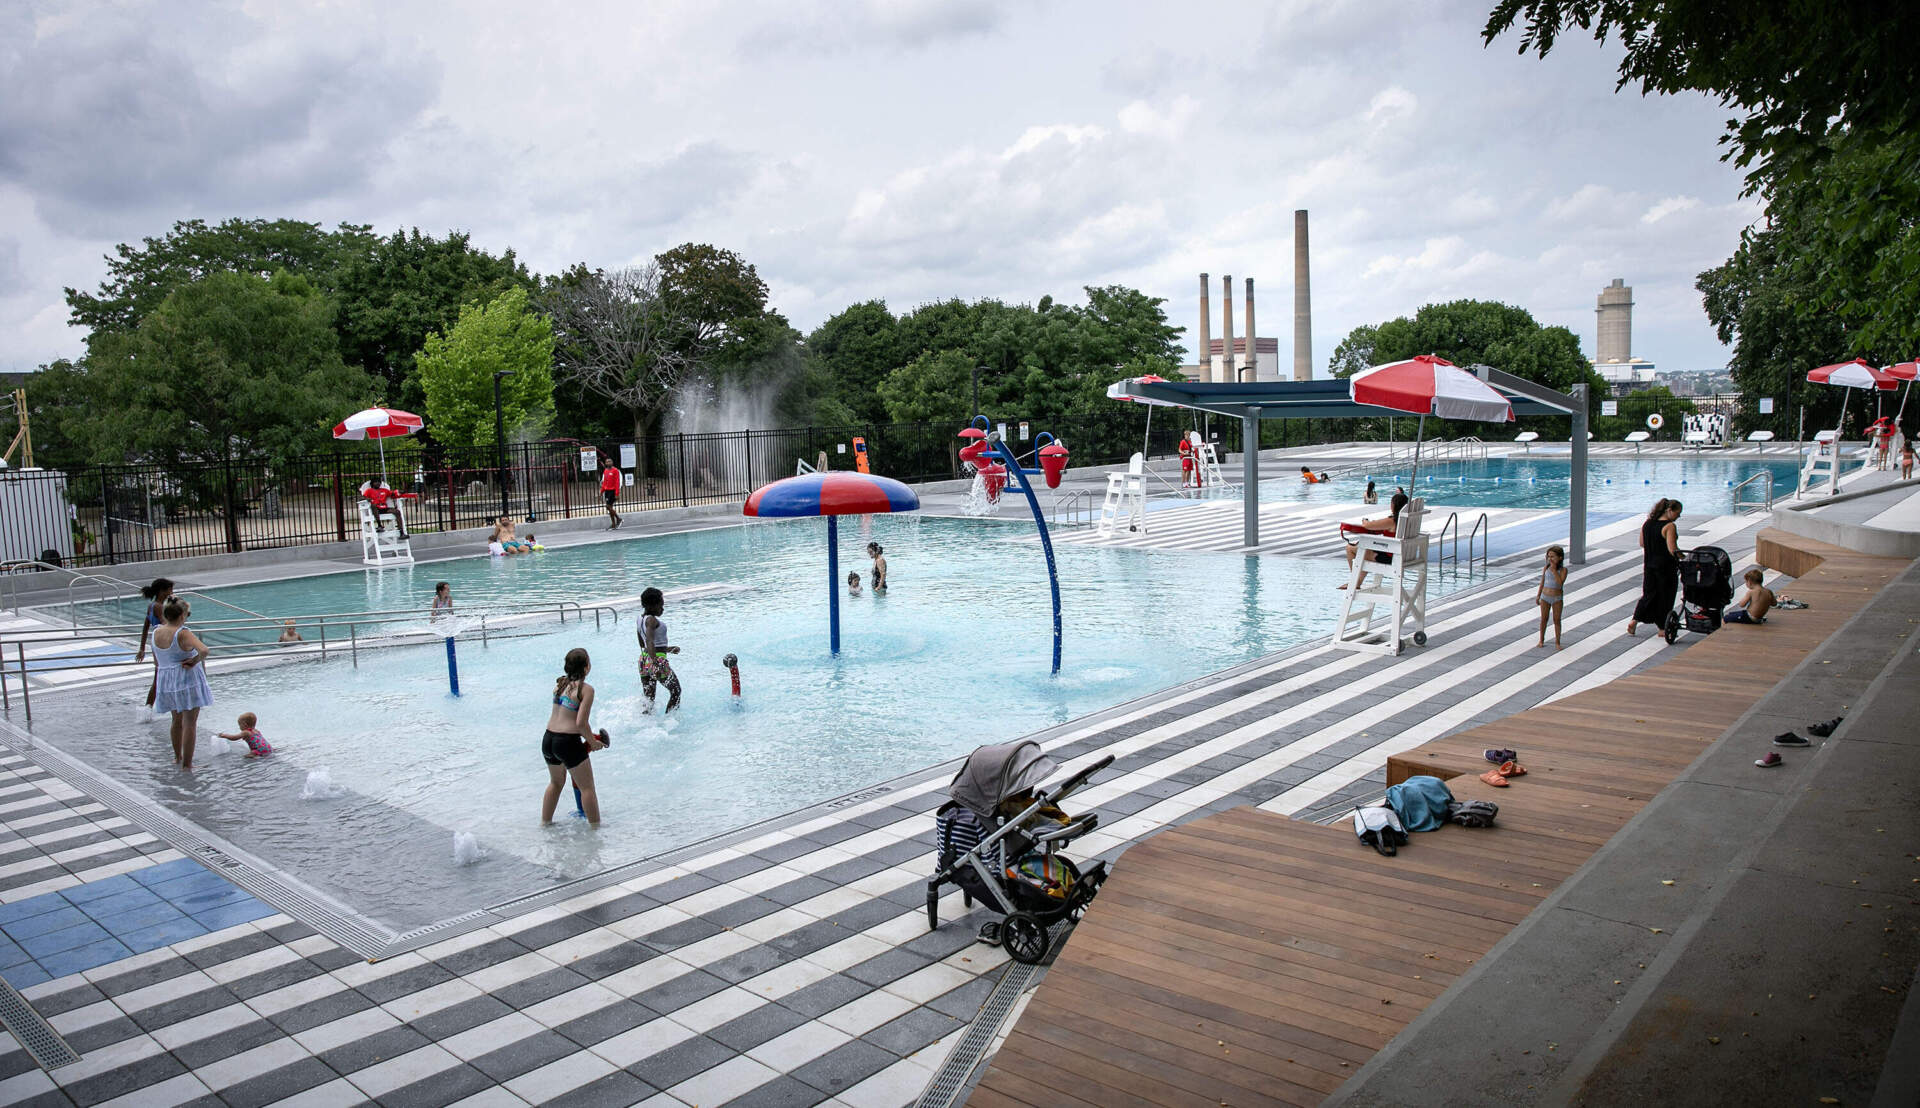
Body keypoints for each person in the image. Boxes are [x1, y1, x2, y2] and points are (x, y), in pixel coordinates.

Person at [541, 647, 606, 826]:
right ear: (586, 667)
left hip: (548, 740)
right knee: (587, 788)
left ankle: (545, 824)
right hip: (567, 742)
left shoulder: (559, 685)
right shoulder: (586, 690)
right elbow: (580, 723)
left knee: (555, 783)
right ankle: (595, 831)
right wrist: (593, 742)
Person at [150, 598, 212, 769]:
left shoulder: (156, 632)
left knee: (176, 720)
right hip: (186, 679)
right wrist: (194, 661)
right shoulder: (182, 632)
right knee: (190, 722)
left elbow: (157, 661)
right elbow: (205, 650)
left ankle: (177, 757)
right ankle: (187, 764)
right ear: (182, 615)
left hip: (166, 679)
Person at [1626, 498, 1683, 638]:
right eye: (1678, 513)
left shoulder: (1647, 523)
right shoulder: (1669, 526)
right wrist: (1683, 557)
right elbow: (1672, 549)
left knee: (1649, 594)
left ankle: (1635, 620)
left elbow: (1641, 543)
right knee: (1665, 596)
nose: (1679, 516)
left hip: (1649, 565)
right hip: (1666, 567)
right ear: (1669, 511)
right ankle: (1662, 628)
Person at [1338, 490, 1410, 587]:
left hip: (1390, 557)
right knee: (1365, 551)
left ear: (1393, 505)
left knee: (1350, 548)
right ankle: (1357, 582)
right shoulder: (1407, 520)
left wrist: (1364, 520)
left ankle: (1354, 580)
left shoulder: (1392, 521)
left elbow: (1368, 526)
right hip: (1402, 555)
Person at [637, 587, 681, 714]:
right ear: (652, 606)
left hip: (644, 659)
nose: (662, 609)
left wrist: (668, 649)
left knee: (649, 698)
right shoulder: (652, 620)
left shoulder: (640, 619)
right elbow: (650, 641)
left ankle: (645, 721)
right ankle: (670, 719)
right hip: (656, 659)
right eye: (661, 606)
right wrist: (656, 660)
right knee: (676, 691)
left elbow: (642, 642)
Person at [134, 578, 174, 709]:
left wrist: (142, 649)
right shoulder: (158, 606)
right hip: (164, 643)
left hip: (156, 643)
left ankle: (148, 708)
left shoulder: (151, 605)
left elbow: (145, 627)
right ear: (163, 591)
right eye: (170, 589)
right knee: (162, 677)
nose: (171, 592)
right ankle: (151, 707)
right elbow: (167, 624)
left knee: (159, 677)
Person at [1536, 545, 1567, 648]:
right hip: (1545, 596)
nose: (1550, 559)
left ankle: (1557, 642)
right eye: (1549, 557)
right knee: (1544, 619)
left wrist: (1554, 571)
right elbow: (1542, 582)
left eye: (1553, 557)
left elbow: (1560, 583)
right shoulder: (1546, 568)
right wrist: (1538, 595)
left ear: (1560, 558)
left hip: (1557, 598)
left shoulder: (1563, 570)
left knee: (1557, 619)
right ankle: (1541, 640)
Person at [600, 457, 623, 529]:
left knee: (608, 506)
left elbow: (617, 482)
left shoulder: (615, 470)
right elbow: (604, 482)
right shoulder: (605, 471)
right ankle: (613, 523)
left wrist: (617, 493)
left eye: (610, 461)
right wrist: (601, 491)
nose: (608, 463)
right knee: (610, 508)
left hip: (612, 491)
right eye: (607, 462)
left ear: (612, 462)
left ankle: (619, 519)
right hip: (607, 491)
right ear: (605, 463)